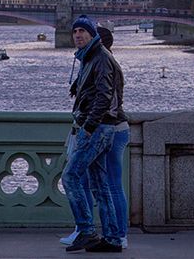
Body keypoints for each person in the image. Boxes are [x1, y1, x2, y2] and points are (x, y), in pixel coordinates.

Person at [59, 27, 129, 250]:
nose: (77, 36)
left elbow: (105, 97)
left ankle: (86, 230)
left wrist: (88, 126)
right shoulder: (94, 59)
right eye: (75, 32)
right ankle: (114, 237)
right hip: (108, 127)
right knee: (101, 183)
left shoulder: (101, 60)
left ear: (94, 38)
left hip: (102, 128)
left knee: (71, 176)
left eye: (83, 32)